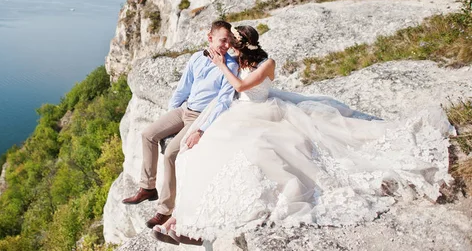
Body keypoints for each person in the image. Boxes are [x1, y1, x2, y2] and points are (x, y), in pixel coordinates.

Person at [153, 25, 453, 246]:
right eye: (229, 43)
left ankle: (185, 221)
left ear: (245, 44)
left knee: (257, 151)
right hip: (239, 113)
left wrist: (221, 65)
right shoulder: (237, 62)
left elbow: (243, 88)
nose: (231, 46)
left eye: (235, 43)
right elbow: (225, 93)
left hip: (262, 111)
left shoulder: (264, 64)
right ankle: (181, 218)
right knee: (197, 155)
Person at [122, 20, 239, 229]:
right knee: (148, 134)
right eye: (223, 40)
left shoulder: (230, 65)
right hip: (185, 110)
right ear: (209, 38)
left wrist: (201, 130)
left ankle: (164, 210)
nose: (226, 45)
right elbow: (183, 88)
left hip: (201, 117)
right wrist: (171, 115)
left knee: (171, 154)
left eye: (229, 41)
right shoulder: (196, 57)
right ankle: (148, 187)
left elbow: (224, 100)